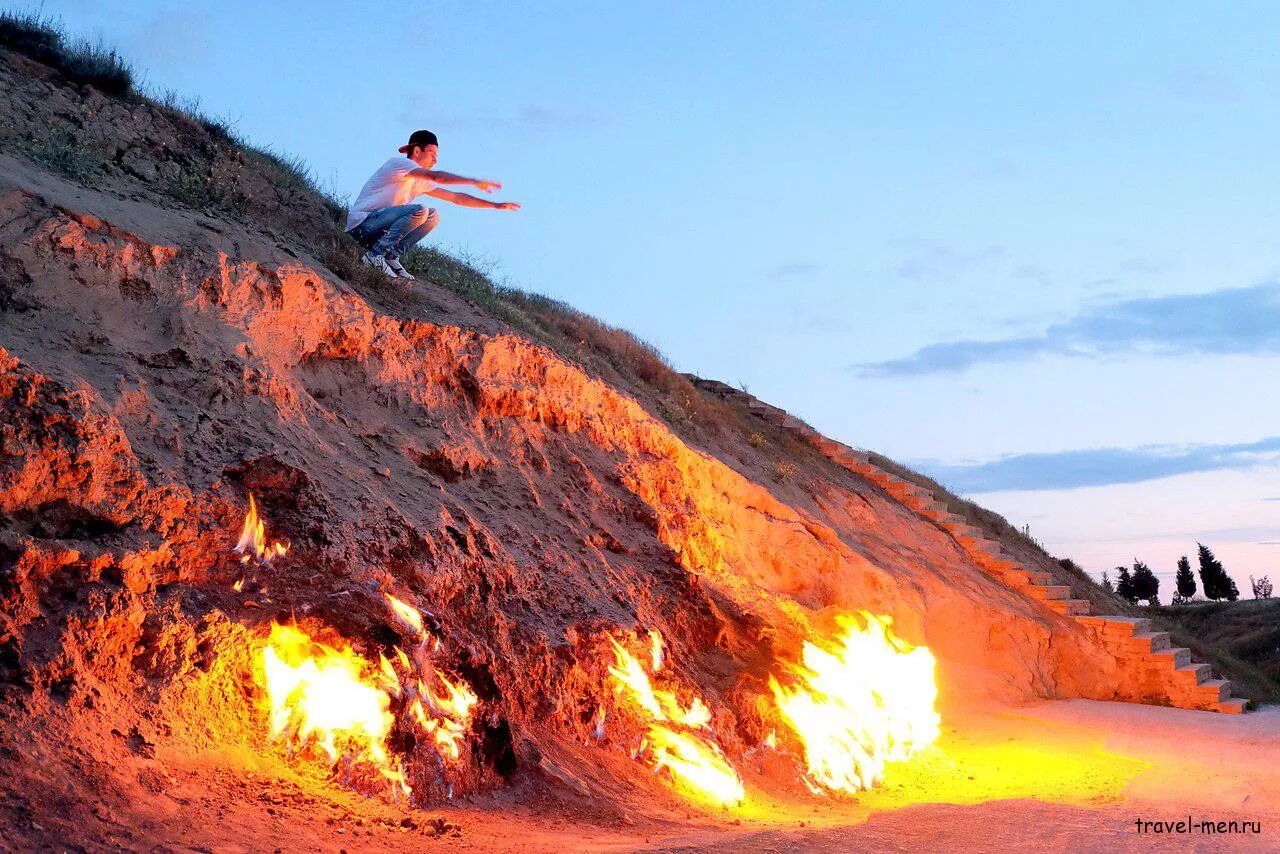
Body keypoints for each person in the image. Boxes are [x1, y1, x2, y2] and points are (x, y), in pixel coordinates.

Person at [345, 129, 520, 281]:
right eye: (432, 154)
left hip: (377, 230)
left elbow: (456, 198)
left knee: (432, 215)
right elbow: (437, 177)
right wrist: (473, 181)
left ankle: (391, 256)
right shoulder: (399, 164)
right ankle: (374, 256)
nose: (435, 160)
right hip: (362, 224)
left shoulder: (419, 181)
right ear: (416, 151)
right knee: (420, 210)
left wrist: (495, 205)